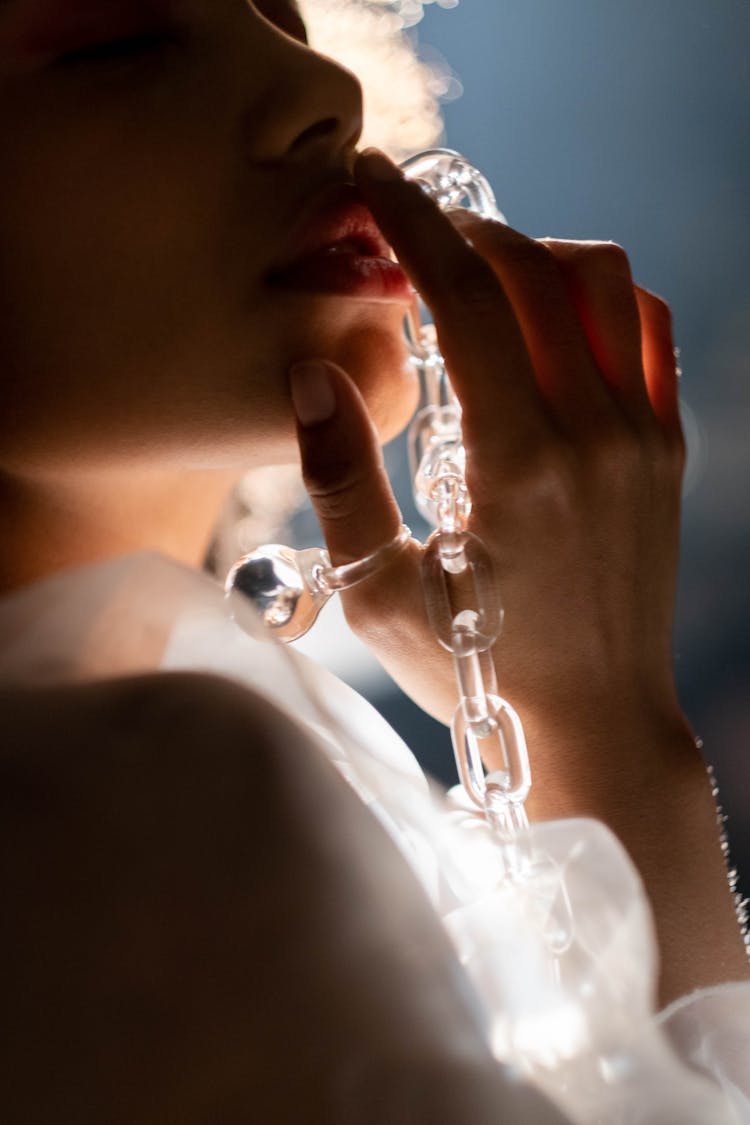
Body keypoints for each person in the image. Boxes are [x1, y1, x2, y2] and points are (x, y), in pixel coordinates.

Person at [0, 1, 747, 1120]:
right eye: (123, 38)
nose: (326, 93)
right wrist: (608, 731)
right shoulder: (148, 805)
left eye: (287, 17)